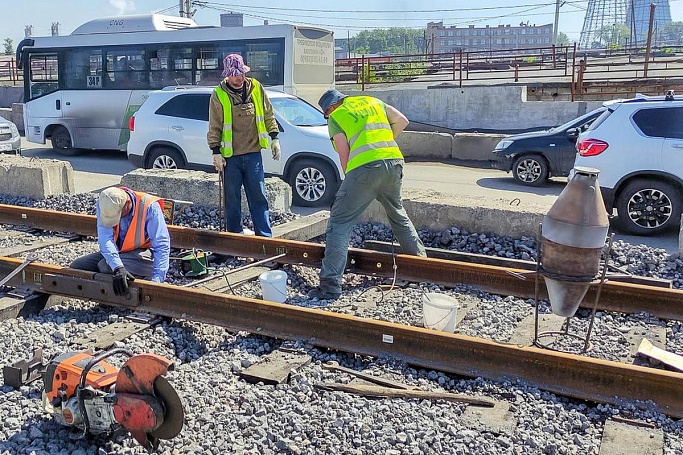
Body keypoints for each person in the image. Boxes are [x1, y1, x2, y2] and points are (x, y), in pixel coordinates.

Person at [308, 89, 427, 300]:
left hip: (364, 169)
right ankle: (423, 267)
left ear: (330, 108)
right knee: (397, 214)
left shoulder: (336, 117)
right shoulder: (373, 101)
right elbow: (402, 120)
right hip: (393, 163)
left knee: (339, 222)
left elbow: (344, 156)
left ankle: (330, 286)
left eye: (326, 114)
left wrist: (351, 186)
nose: (327, 117)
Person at [207, 53, 281, 237]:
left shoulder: (256, 87)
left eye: (241, 73)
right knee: (232, 199)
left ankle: (264, 237)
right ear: (227, 75)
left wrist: (275, 138)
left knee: (258, 197)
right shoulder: (219, 95)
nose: (238, 78)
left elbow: (268, 114)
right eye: (234, 74)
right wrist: (215, 151)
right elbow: (215, 125)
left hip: (253, 154)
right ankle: (235, 237)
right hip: (230, 158)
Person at [70, 186, 170, 296]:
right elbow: (105, 239)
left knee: (105, 266)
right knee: (78, 266)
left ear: (127, 203)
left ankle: (132, 285)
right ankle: (109, 291)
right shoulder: (105, 204)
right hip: (121, 252)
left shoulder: (149, 207)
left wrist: (157, 279)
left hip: (144, 254)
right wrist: (118, 268)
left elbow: (161, 245)